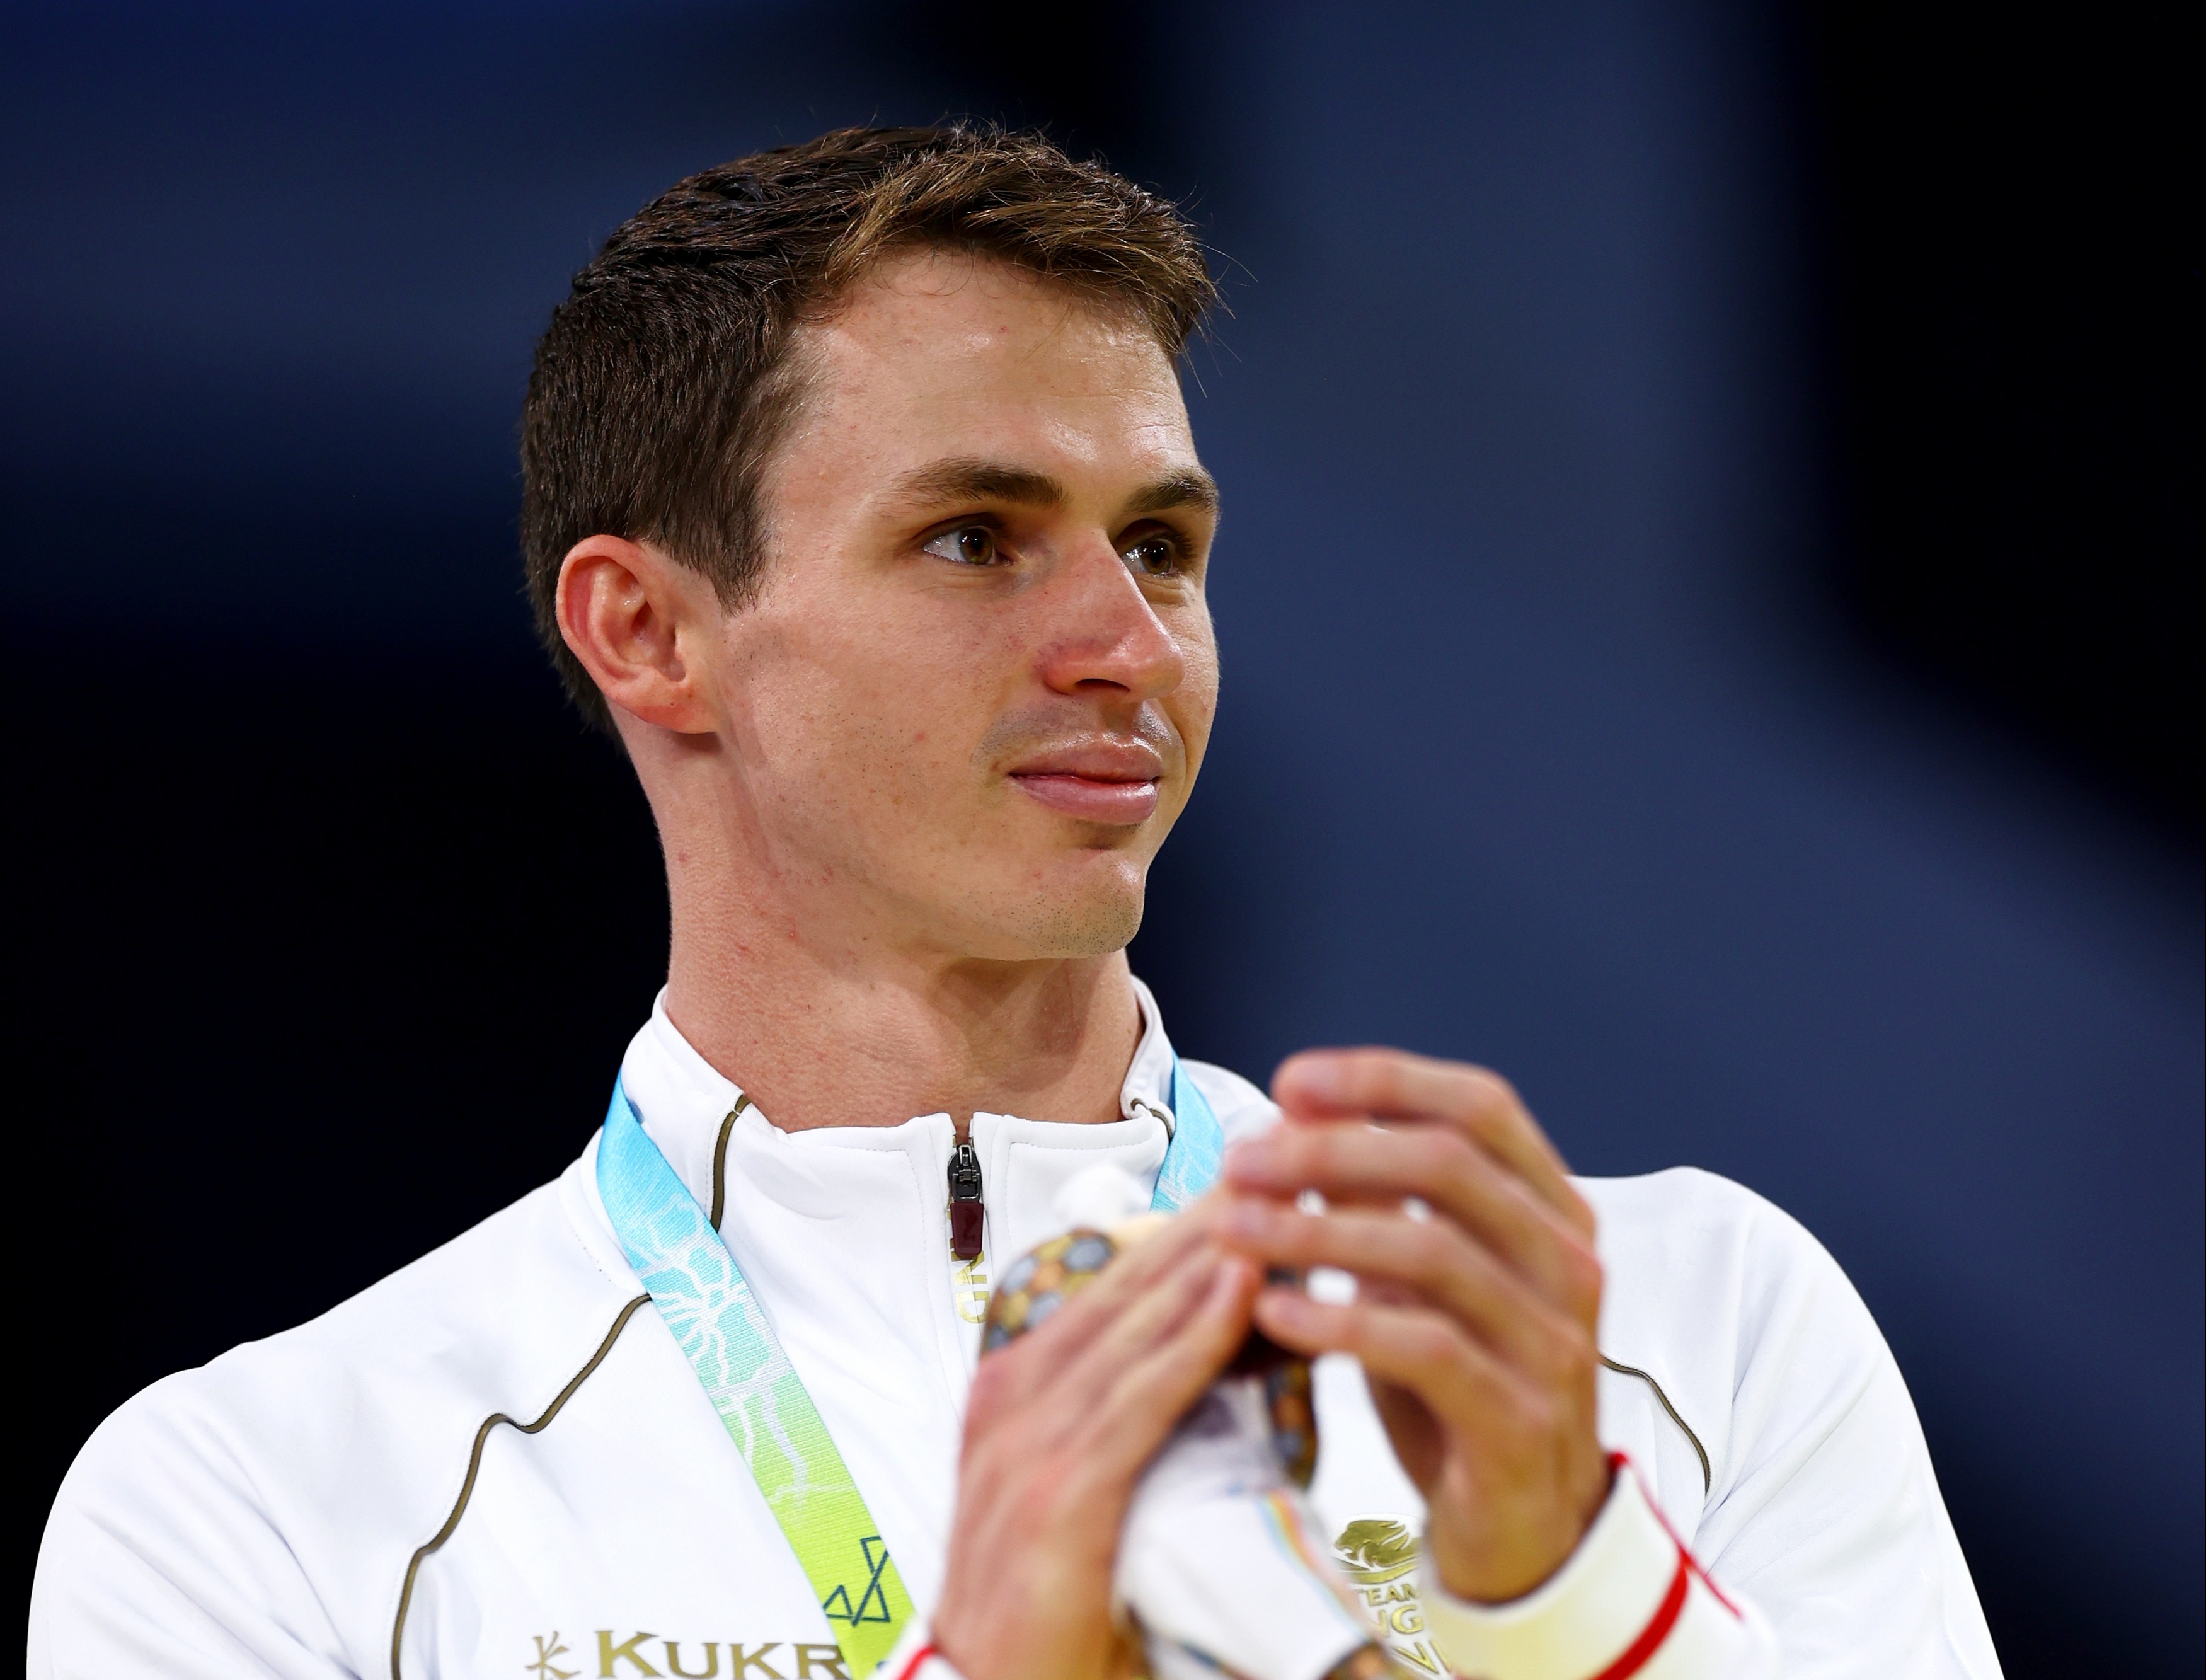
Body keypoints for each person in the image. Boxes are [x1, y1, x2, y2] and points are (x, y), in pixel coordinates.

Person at [30, 126, 2002, 1680]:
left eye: (1163, 543)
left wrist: (1579, 1607)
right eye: (977, 537)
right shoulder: (273, 1506)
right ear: (649, 632)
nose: (1126, 642)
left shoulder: (1668, 1332)